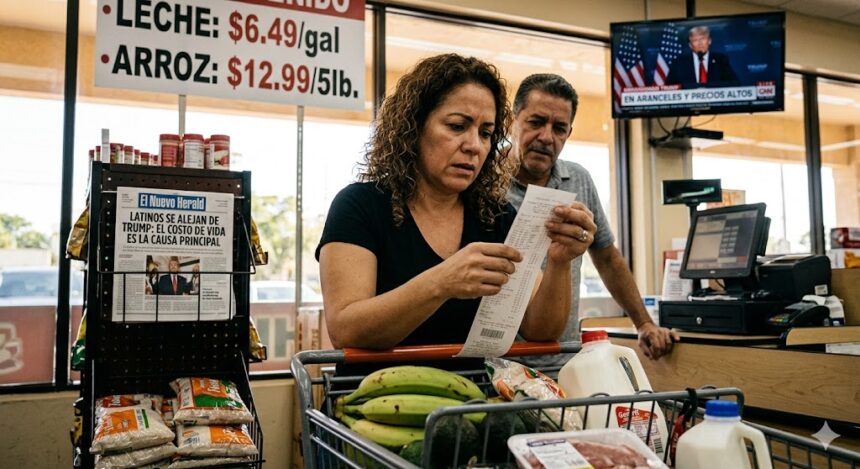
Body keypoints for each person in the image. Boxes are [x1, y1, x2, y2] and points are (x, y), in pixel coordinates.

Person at [316, 54, 596, 352]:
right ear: (414, 127)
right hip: (379, 382)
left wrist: (559, 262)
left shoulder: (495, 217)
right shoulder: (359, 205)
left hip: (473, 383)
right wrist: (442, 282)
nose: (474, 146)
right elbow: (345, 330)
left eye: (486, 133)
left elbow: (540, 330)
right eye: (457, 126)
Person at [507, 73, 679, 364]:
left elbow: (607, 258)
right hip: (499, 364)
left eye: (559, 128)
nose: (547, 137)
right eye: (536, 122)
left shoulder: (578, 180)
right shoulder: (483, 181)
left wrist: (643, 323)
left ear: (569, 133)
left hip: (564, 359)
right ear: (512, 121)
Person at [666, 25, 738, 88]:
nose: (700, 43)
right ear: (690, 45)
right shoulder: (679, 63)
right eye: (695, 40)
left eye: (703, 39)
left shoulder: (721, 60)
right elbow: (669, 87)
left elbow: (734, 83)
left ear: (709, 41)